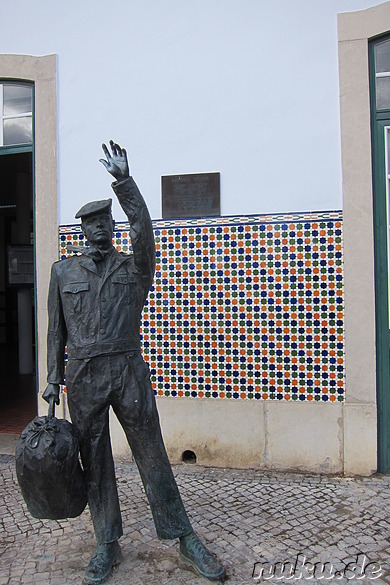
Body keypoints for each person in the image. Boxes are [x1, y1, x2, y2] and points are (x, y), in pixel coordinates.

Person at [43, 141, 226, 584]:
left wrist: (124, 182)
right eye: (92, 222)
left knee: (152, 454)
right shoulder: (62, 272)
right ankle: (106, 541)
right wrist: (52, 378)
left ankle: (184, 536)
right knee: (95, 459)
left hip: (128, 370)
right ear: (83, 230)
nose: (101, 226)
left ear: (112, 223)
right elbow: (55, 330)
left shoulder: (135, 267)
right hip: (83, 376)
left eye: (106, 219)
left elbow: (144, 231)